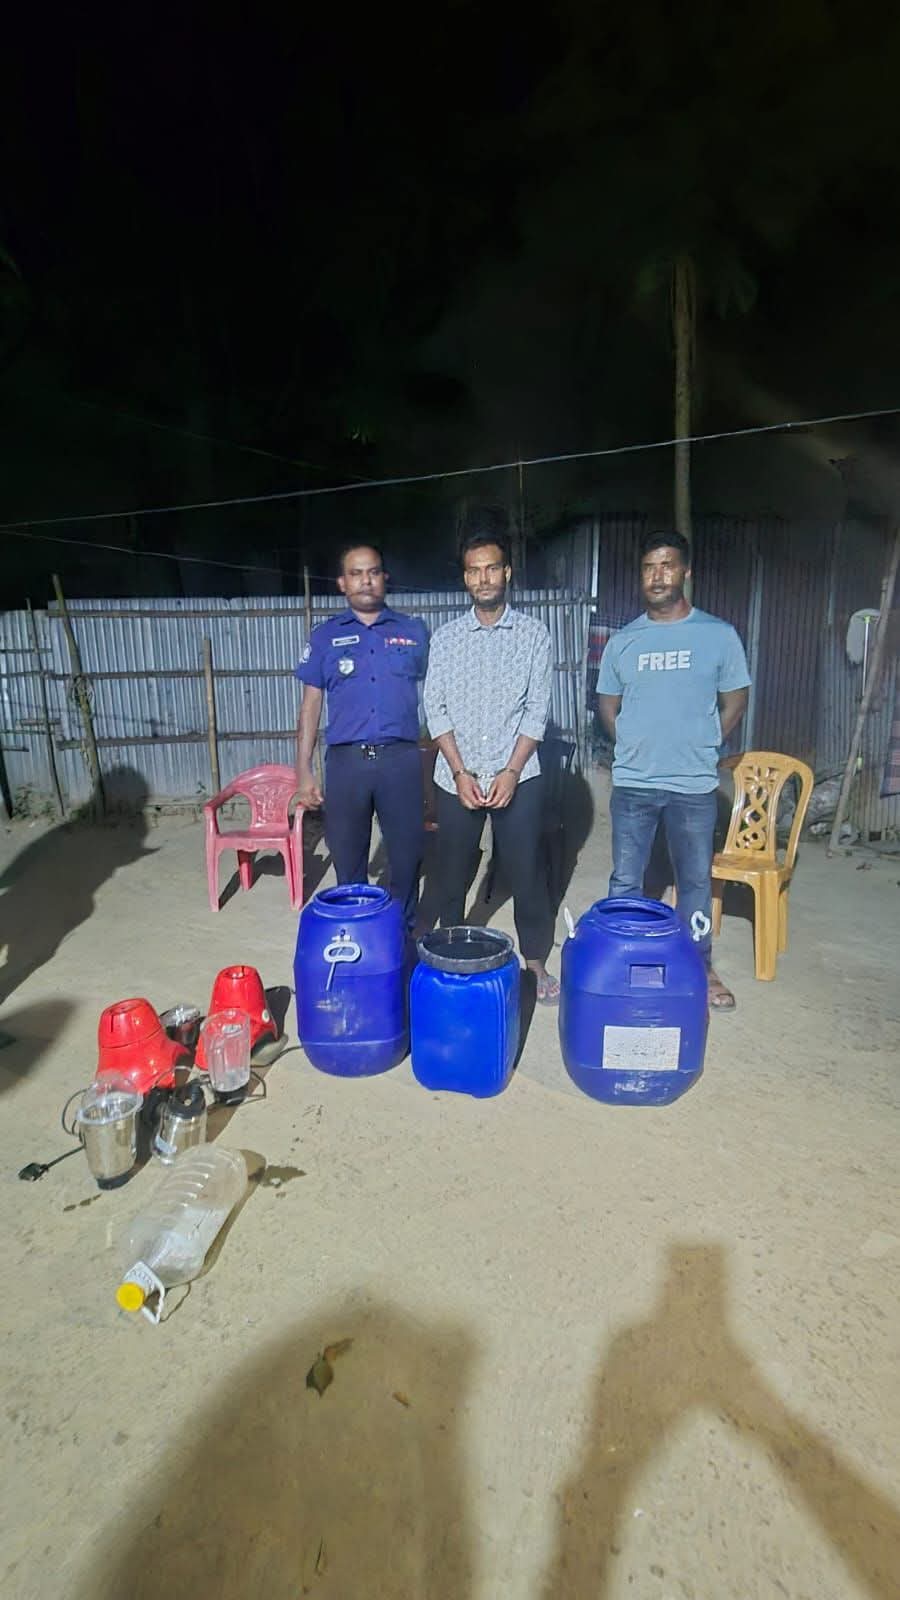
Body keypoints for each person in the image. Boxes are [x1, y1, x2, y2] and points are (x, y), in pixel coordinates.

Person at [596, 530, 750, 1011]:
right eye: (649, 567)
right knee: (626, 880)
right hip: (634, 783)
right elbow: (607, 706)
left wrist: (706, 742)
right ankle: (620, 960)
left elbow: (736, 699)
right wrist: (632, 743)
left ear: (685, 572)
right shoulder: (624, 641)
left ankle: (700, 966)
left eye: (667, 566)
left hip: (693, 784)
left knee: (695, 882)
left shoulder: (718, 635)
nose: (657, 576)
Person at [423, 515, 559, 1003]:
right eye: (474, 570)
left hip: (517, 775)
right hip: (456, 774)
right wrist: (459, 771)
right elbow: (434, 707)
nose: (483, 578)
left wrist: (511, 771)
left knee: (525, 871)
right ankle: (450, 950)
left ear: (507, 572)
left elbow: (537, 710)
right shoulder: (446, 638)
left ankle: (536, 961)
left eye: (492, 568)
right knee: (451, 872)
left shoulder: (534, 635)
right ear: (465, 578)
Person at [295, 543, 428, 928]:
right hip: (346, 764)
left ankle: (401, 938)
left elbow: (438, 697)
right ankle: (357, 936)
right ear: (342, 583)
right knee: (349, 861)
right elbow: (310, 706)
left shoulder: (413, 632)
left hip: (400, 761)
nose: (365, 581)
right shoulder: (324, 638)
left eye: (372, 572)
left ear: (384, 578)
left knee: (406, 858)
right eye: (356, 573)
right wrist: (303, 770)